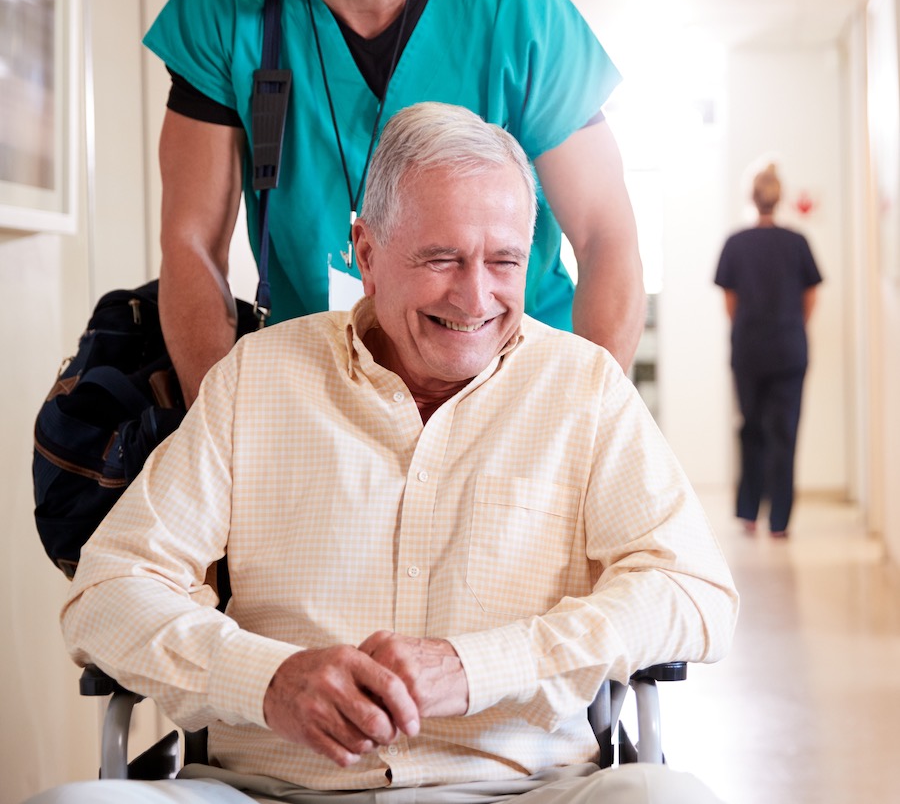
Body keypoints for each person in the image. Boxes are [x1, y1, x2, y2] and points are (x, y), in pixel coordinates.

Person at [29, 104, 738, 804]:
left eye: (504, 260)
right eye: (441, 258)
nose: (475, 295)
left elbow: (694, 590)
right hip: (274, 787)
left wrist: (479, 664)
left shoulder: (583, 388)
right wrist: (266, 679)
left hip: (524, 787)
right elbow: (108, 590)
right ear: (367, 254)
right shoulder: (259, 377)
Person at [145, 0, 645, 408]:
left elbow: (605, 236)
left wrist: (589, 422)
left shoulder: (519, 13)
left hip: (513, 385)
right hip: (321, 391)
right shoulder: (225, 11)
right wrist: (221, 427)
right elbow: (190, 243)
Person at [714, 162, 822, 538]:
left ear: (752, 197)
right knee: (785, 433)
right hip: (790, 349)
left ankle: (748, 512)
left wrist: (750, 329)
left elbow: (730, 303)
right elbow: (811, 297)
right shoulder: (798, 243)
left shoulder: (736, 243)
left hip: (749, 350)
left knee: (751, 429)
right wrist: (791, 327)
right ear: (780, 197)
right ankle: (780, 521)